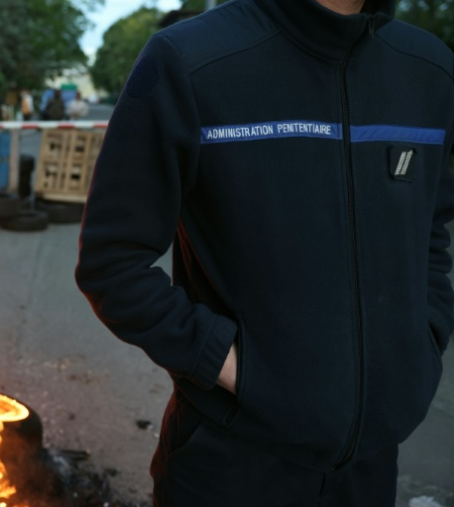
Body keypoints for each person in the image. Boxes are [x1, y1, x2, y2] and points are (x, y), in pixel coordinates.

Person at [75, 0, 454, 505]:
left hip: (372, 465)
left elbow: (429, 227)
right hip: (230, 465)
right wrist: (238, 370)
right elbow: (112, 264)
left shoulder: (429, 68)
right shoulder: (189, 59)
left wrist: (422, 343)